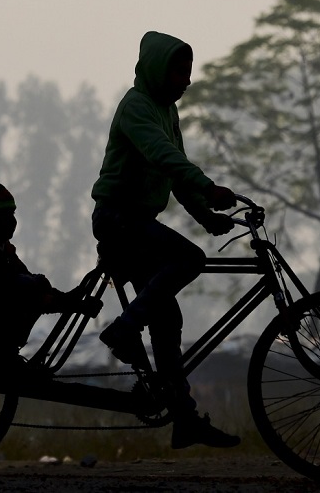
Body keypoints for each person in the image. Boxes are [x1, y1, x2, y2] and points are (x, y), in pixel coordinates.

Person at [91, 31, 240, 449]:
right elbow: (162, 154)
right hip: (118, 220)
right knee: (190, 259)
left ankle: (184, 418)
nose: (186, 80)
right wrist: (208, 186)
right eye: (179, 70)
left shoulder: (166, 111)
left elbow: (174, 174)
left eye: (188, 72)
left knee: (167, 317)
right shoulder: (136, 107)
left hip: (136, 223)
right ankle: (122, 330)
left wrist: (205, 215)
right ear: (158, 69)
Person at [0, 174, 99, 374]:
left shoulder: (1, 249)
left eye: (12, 214)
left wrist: (66, 299)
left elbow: (27, 280)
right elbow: (8, 289)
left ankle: (2, 352)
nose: (11, 221)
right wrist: (69, 304)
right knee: (24, 288)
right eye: (3, 216)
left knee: (31, 284)